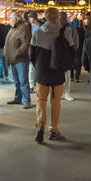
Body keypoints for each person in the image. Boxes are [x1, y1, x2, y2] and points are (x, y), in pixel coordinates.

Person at [30, 7, 70, 142]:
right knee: (56, 101)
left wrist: (37, 66)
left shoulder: (37, 32)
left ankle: (40, 125)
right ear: (58, 16)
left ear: (45, 17)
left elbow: (31, 54)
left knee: (41, 99)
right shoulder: (64, 32)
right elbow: (71, 50)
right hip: (57, 71)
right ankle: (53, 129)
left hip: (42, 70)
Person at [5, 12, 32, 108]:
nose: (9, 21)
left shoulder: (23, 28)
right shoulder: (13, 28)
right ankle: (18, 98)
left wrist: (16, 53)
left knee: (23, 81)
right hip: (13, 60)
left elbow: (25, 44)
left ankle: (26, 101)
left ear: (15, 19)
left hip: (20, 60)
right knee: (17, 82)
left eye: (10, 19)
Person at [59, 11, 79, 101]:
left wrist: (73, 50)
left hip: (67, 53)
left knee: (67, 75)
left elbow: (75, 39)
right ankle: (60, 92)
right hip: (58, 52)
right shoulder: (55, 27)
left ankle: (66, 92)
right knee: (59, 74)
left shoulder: (70, 27)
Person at [27, 12, 41, 91]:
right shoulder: (28, 26)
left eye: (30, 17)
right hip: (31, 48)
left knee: (38, 67)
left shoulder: (41, 26)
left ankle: (37, 82)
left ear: (35, 18)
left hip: (40, 48)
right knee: (31, 67)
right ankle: (31, 85)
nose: (29, 19)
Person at [71, 18, 86, 83]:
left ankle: (71, 76)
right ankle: (77, 77)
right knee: (78, 63)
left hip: (72, 48)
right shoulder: (81, 30)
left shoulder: (70, 30)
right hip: (79, 48)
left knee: (72, 62)